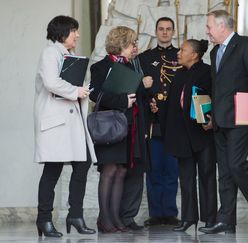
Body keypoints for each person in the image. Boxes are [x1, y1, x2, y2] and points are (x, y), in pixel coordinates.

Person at [198, 10, 248, 234]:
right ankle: (226, 220)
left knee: (237, 166)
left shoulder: (246, 44)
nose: (207, 31)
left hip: (241, 116)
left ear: (222, 26)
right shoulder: (214, 51)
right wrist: (209, 114)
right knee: (226, 171)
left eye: (209, 26)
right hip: (220, 120)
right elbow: (217, 87)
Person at [34, 15, 96, 237]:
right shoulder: (50, 53)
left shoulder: (68, 55)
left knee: (83, 162)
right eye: (74, 31)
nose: (77, 35)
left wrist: (84, 90)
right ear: (62, 33)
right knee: (52, 171)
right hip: (56, 123)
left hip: (70, 123)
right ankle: (44, 219)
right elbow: (51, 82)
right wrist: (75, 91)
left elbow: (70, 84)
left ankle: (75, 215)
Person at [89, 26, 153, 233]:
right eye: (132, 43)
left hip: (129, 125)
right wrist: (121, 100)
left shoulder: (133, 67)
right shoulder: (100, 67)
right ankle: (104, 219)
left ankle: (116, 219)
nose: (135, 47)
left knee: (121, 170)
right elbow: (95, 95)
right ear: (123, 44)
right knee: (109, 170)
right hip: (109, 125)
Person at [164, 39, 217, 232]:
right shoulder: (178, 74)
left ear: (194, 54)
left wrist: (213, 119)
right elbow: (172, 105)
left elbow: (215, 97)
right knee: (186, 179)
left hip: (202, 135)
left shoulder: (208, 71)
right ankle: (188, 218)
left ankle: (210, 219)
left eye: (182, 50)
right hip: (182, 137)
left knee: (207, 177)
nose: (178, 52)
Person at [139, 17, 182, 226]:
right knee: (154, 169)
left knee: (172, 170)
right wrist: (149, 103)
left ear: (173, 31)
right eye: (161, 29)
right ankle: (156, 214)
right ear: (155, 31)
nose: (164, 32)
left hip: (175, 122)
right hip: (153, 120)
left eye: (168, 29)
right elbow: (140, 88)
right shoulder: (144, 58)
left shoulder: (182, 56)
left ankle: (170, 213)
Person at [119, 40, 152, 231]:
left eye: (136, 43)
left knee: (137, 170)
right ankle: (113, 216)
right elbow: (119, 90)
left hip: (139, 124)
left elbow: (142, 95)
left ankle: (129, 216)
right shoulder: (109, 65)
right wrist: (141, 83)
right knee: (119, 172)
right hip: (121, 125)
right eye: (132, 43)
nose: (136, 47)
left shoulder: (137, 63)